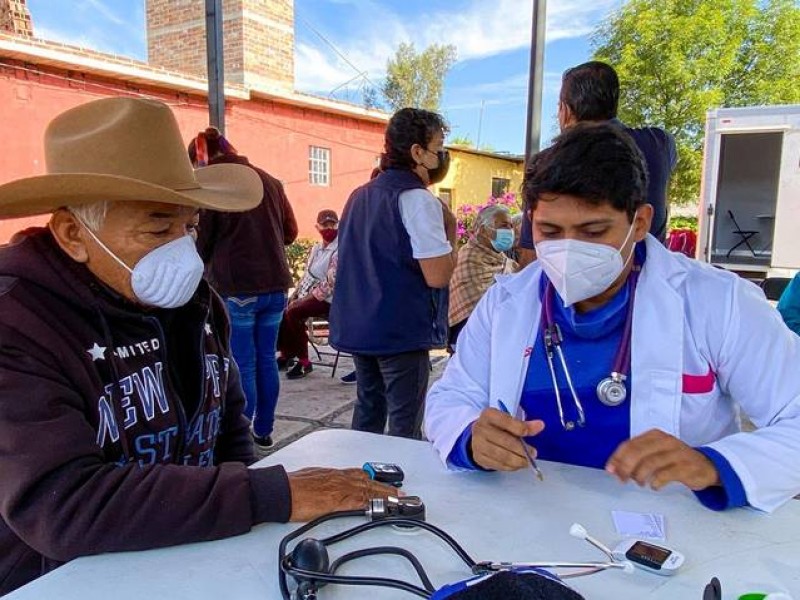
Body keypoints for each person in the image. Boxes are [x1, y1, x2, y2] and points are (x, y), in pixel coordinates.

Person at [0, 98, 394, 595]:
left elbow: (227, 427)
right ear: (74, 234)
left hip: (184, 556)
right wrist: (269, 495)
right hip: (59, 581)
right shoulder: (16, 323)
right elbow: (61, 503)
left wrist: (252, 543)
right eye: (159, 227)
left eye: (190, 226)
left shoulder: (195, 301)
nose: (182, 249)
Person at [425, 122, 800, 514]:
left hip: (667, 534)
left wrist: (713, 465)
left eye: (592, 231)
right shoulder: (506, 302)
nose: (568, 250)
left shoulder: (720, 302)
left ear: (638, 222)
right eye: (550, 230)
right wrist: (470, 437)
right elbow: (452, 395)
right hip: (529, 518)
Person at [330, 107, 457, 439]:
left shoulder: (359, 195)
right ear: (418, 152)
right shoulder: (417, 199)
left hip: (360, 326)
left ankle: (360, 482)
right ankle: (401, 487)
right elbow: (439, 276)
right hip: (400, 332)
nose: (443, 156)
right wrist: (452, 231)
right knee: (404, 426)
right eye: (439, 147)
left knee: (368, 413)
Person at [191, 127, 299, 449]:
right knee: (266, 358)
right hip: (275, 287)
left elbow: (203, 241)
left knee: (243, 363)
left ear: (202, 159)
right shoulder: (270, 181)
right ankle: (262, 430)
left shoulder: (215, 184)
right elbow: (291, 232)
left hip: (237, 288)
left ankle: (239, 436)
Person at [517, 61, 677, 267]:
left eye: (594, 232)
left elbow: (530, 258)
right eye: (552, 231)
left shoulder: (547, 165)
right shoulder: (658, 143)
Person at [277, 209, 340, 379]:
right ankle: (287, 354)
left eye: (332, 224)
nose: (329, 228)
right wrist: (296, 294)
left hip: (329, 299)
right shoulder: (317, 248)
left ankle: (305, 362)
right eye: (325, 224)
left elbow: (330, 285)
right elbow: (307, 275)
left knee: (294, 312)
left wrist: (305, 299)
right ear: (317, 227)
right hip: (310, 293)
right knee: (283, 309)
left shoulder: (339, 249)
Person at [448, 205, 519, 352]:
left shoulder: (503, 260)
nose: (509, 231)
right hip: (468, 339)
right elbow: (477, 306)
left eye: (511, 226)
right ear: (483, 230)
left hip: (498, 339)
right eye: (503, 226)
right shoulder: (469, 258)